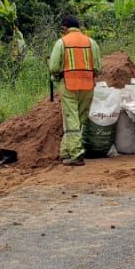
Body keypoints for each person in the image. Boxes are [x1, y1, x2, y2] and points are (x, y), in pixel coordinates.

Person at [48, 15, 101, 165]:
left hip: (69, 84)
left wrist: (57, 76)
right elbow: (97, 68)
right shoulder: (91, 42)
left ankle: (76, 154)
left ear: (65, 27)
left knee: (71, 118)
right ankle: (65, 152)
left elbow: (54, 67)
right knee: (80, 119)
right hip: (88, 85)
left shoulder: (62, 42)